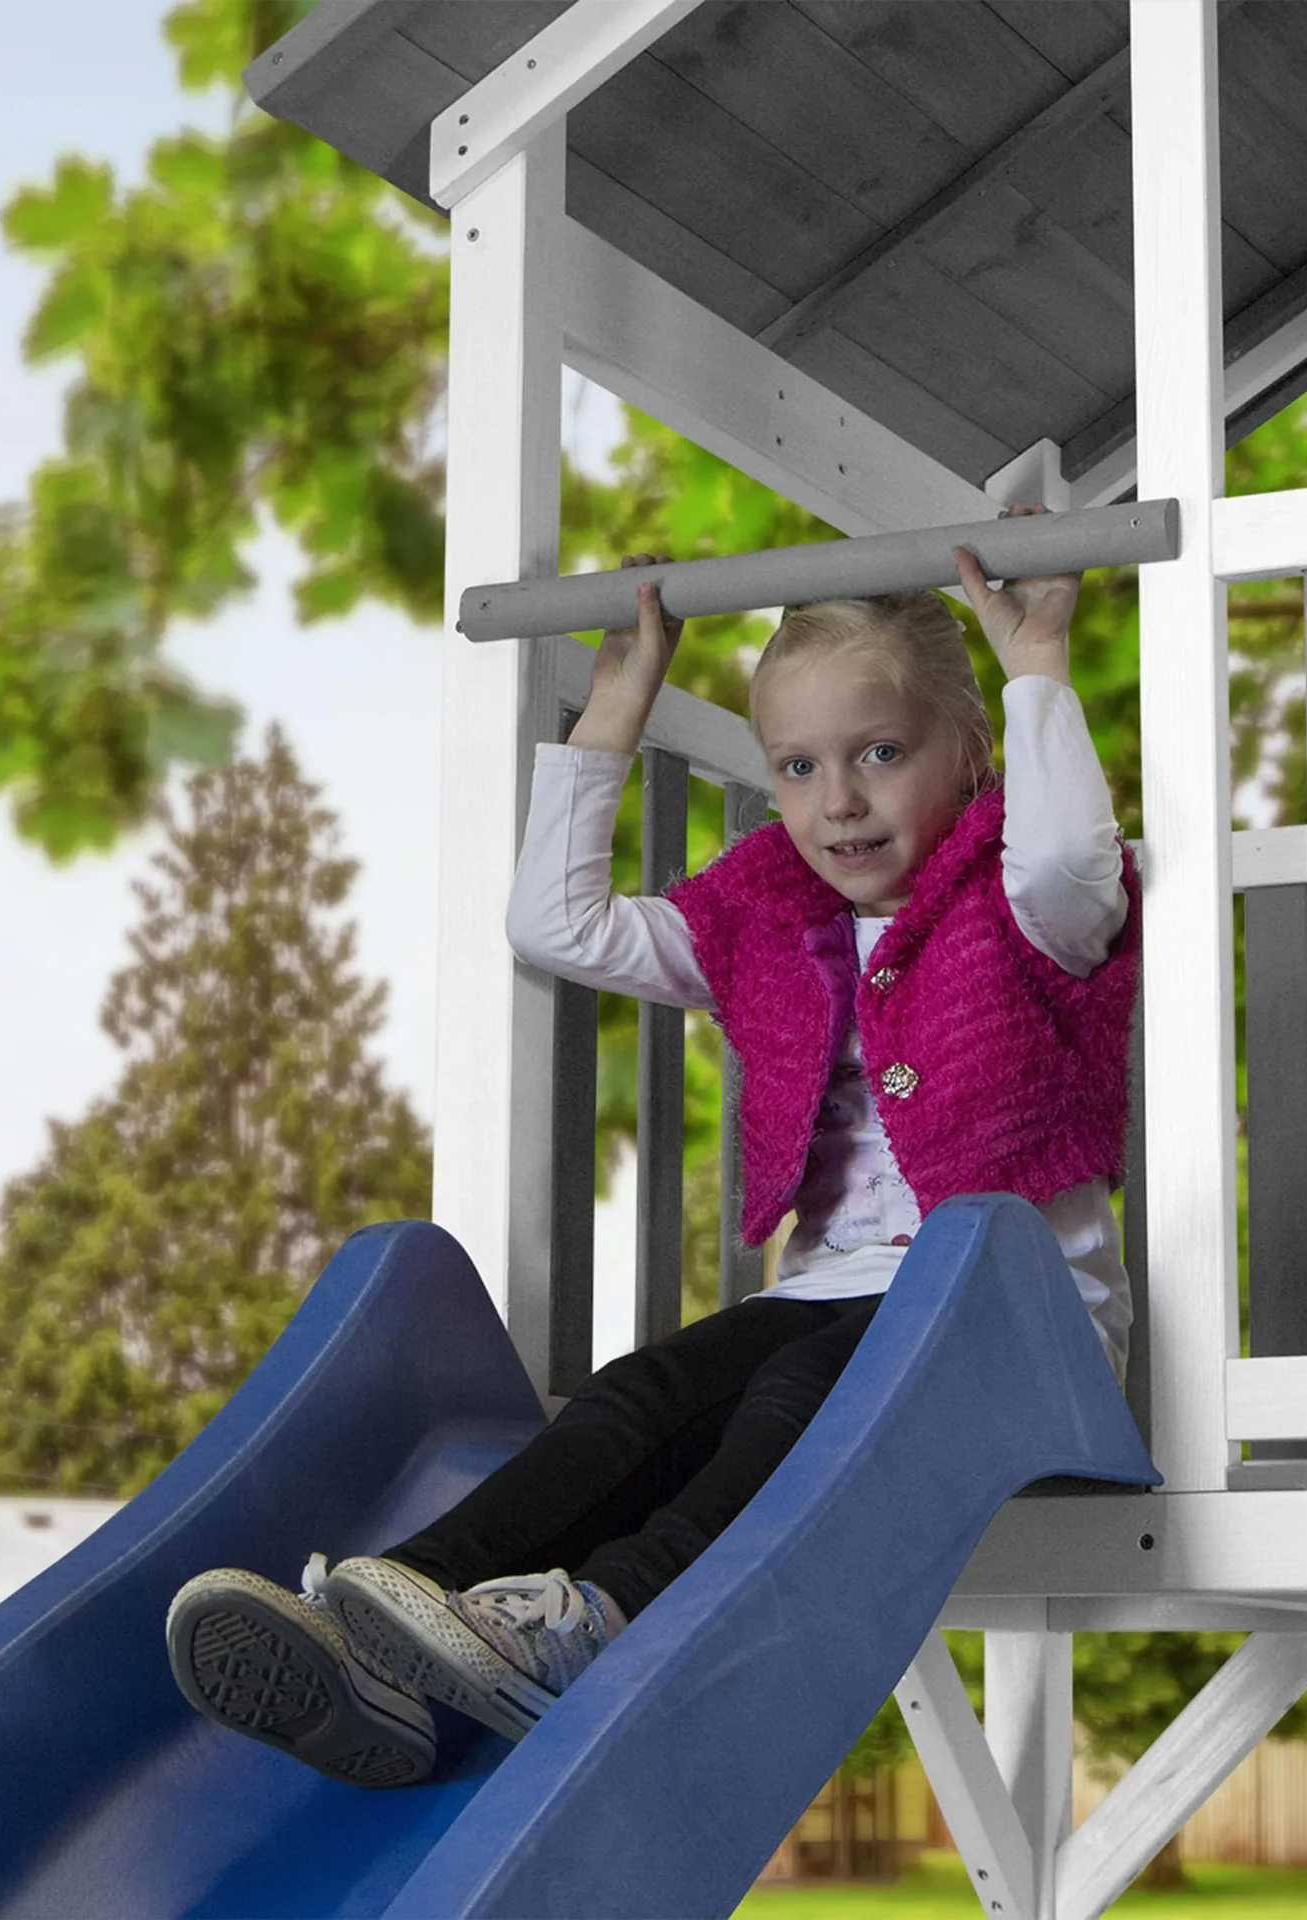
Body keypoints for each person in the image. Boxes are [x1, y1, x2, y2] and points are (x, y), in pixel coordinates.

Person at [165, 508, 1140, 1788]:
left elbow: (1068, 843)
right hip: (837, 1296)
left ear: (970, 752)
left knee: (793, 1398)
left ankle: (602, 1620)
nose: (837, 800)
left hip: (1014, 1325)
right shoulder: (767, 924)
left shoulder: (1030, 904)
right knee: (645, 1394)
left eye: (882, 753)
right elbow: (555, 922)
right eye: (796, 766)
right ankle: (398, 1620)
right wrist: (618, 702)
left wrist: (1039, 662)